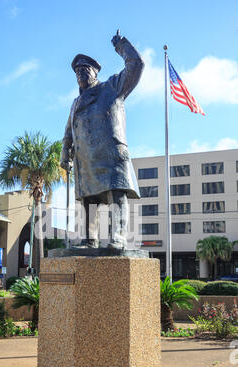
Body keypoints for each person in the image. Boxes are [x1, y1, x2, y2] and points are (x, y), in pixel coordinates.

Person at [61, 31, 144, 249]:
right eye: (77, 71)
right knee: (89, 199)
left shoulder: (111, 87)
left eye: (85, 70)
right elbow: (68, 130)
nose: (80, 74)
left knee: (116, 193)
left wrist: (121, 46)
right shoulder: (75, 102)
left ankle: (118, 236)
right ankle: (90, 239)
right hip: (85, 158)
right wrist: (64, 152)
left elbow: (136, 65)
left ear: (95, 72)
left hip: (109, 153)